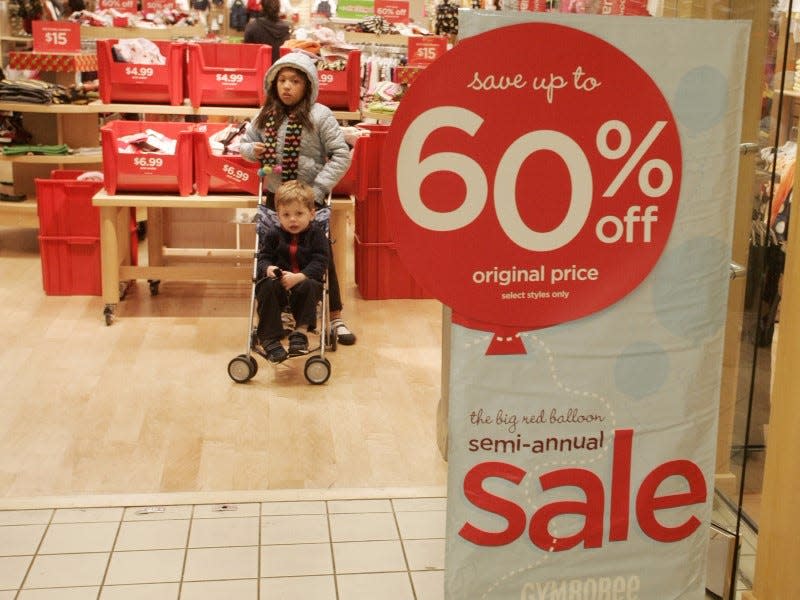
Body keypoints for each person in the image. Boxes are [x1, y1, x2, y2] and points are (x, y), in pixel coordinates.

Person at [239, 51, 357, 345]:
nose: (287, 87)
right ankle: (277, 314)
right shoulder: (266, 113)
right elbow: (245, 142)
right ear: (273, 84)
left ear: (308, 84)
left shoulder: (320, 115)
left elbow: (341, 154)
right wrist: (251, 151)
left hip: (309, 201)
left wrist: (317, 191)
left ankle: (335, 315)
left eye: (294, 81)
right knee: (275, 252)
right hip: (276, 200)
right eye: (282, 80)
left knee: (319, 254)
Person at [255, 181, 329, 363]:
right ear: (278, 216)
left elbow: (321, 261)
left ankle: (300, 332)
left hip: (304, 283)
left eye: (299, 214)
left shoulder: (316, 235)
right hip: (278, 286)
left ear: (312, 214)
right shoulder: (274, 234)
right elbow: (263, 258)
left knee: (310, 285)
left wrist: (300, 276)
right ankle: (270, 338)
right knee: (265, 286)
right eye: (286, 215)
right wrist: (268, 268)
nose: (292, 219)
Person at [243, 0, 291, 65]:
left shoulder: (252, 26)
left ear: (261, 7)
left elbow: (246, 50)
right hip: (279, 70)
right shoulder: (286, 27)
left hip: (259, 69)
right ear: (278, 7)